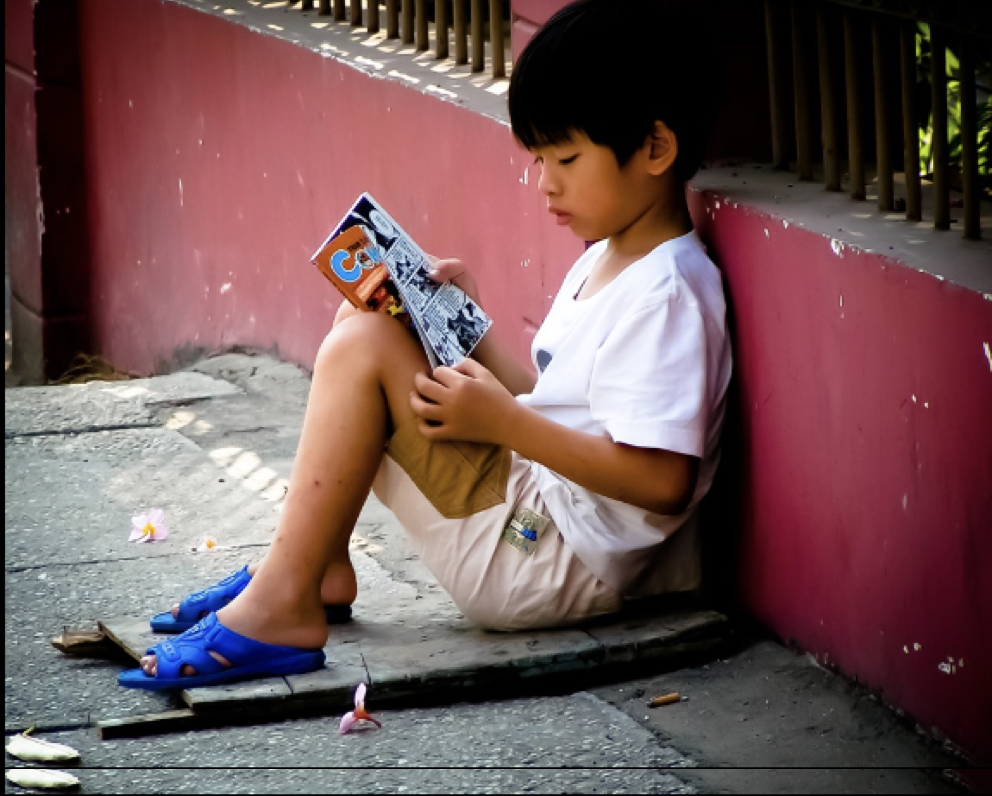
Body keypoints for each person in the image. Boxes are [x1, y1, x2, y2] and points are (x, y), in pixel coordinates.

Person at [117, 0, 731, 690]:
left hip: (552, 563)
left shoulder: (669, 293)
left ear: (654, 148)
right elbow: (562, 411)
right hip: (547, 518)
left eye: (566, 157)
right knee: (370, 321)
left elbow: (662, 481)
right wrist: (470, 331)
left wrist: (504, 424)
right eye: (537, 158)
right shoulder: (608, 258)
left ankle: (285, 602)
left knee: (364, 350)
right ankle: (316, 567)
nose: (544, 183)